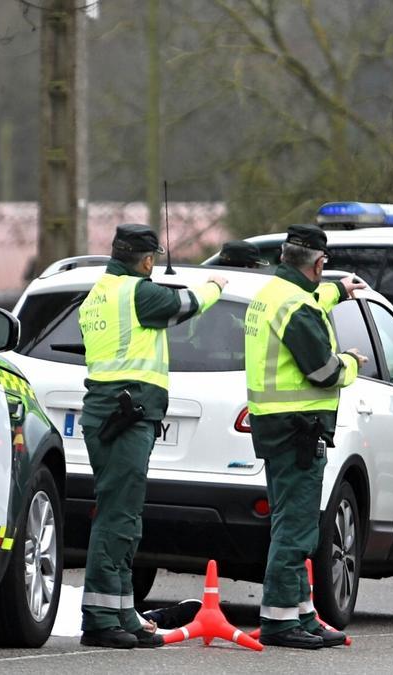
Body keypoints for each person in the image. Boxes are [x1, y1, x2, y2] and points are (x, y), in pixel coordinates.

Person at [77, 223, 228, 649]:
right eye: (152, 262)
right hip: (125, 415)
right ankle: (101, 619)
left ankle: (122, 612)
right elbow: (186, 304)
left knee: (123, 515)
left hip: (114, 413)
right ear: (146, 261)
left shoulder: (99, 293)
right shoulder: (137, 293)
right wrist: (215, 285)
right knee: (118, 517)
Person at [244, 224, 367, 649]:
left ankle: (301, 614)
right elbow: (324, 371)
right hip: (298, 428)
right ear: (318, 264)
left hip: (276, 426)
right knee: (296, 528)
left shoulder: (272, 295)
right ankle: (280, 620)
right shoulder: (297, 308)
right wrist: (351, 362)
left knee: (291, 522)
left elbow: (314, 297)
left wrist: (339, 290)